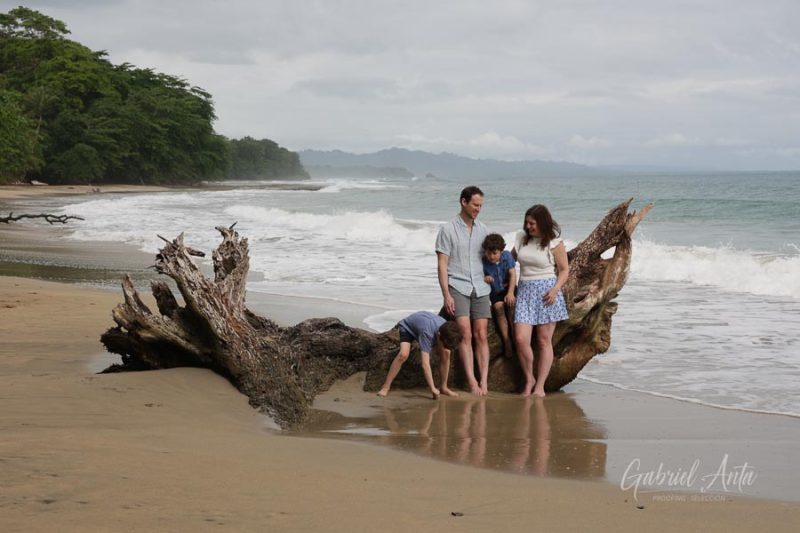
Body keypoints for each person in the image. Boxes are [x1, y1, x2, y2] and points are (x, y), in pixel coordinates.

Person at [435, 186, 492, 396]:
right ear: (463, 202)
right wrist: (446, 294)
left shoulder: (483, 230)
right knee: (465, 334)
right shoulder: (447, 229)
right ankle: (471, 382)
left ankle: (484, 381)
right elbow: (442, 264)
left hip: (481, 287)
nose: (478, 209)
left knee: (482, 335)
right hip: (457, 286)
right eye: (475, 205)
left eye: (481, 206)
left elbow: (491, 258)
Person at [511, 204, 569, 398]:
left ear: (542, 223)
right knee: (521, 339)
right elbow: (509, 261)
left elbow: (564, 270)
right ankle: (529, 379)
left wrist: (555, 290)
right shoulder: (521, 238)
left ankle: (540, 387)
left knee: (544, 341)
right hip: (525, 291)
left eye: (532, 223)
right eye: (527, 222)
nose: (528, 227)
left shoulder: (554, 242)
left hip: (547, 294)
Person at [377, 311, 463, 399]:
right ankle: (385, 387)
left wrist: (445, 347)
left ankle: (443, 387)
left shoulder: (447, 327)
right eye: (443, 344)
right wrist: (432, 388)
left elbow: (448, 342)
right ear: (439, 335)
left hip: (424, 325)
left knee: (446, 352)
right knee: (403, 354)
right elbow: (425, 365)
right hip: (407, 328)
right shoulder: (427, 333)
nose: (444, 347)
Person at [482, 233, 517, 358]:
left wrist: (511, 293)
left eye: (495, 253)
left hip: (509, 288)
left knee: (511, 306)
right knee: (498, 308)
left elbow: (513, 274)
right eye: (489, 253)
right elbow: (477, 277)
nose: (491, 256)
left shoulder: (507, 256)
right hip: (495, 292)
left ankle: (515, 337)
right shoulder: (483, 262)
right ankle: (507, 341)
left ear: (501, 251)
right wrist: (484, 278)